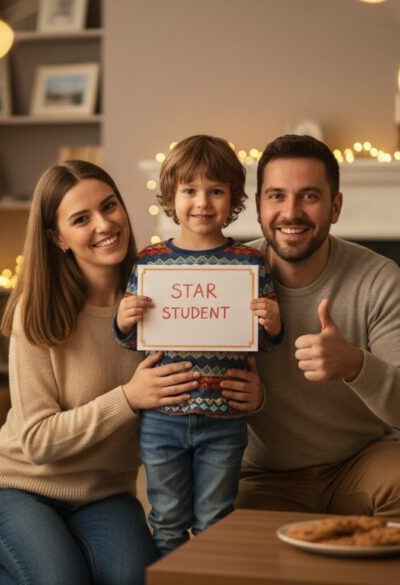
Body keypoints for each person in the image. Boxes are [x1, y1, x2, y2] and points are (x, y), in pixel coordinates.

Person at [0, 160, 264, 585]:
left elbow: (201, 387)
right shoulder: (36, 313)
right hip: (18, 486)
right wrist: (128, 398)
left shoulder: (164, 290)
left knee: (135, 578)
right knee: (62, 579)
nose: (105, 224)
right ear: (57, 237)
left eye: (109, 206)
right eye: (81, 219)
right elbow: (35, 442)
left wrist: (254, 395)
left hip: (105, 495)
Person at [237, 134, 400, 519]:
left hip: (359, 466)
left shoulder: (378, 279)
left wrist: (356, 365)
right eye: (277, 195)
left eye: (309, 196)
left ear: (335, 207)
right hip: (260, 475)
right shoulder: (231, 275)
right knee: (221, 515)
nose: (291, 212)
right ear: (259, 206)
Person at [113, 135, 282, 555]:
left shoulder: (248, 263)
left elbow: (261, 340)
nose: (202, 202)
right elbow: (136, 339)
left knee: (215, 521)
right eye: (190, 190)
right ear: (171, 195)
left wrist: (274, 325)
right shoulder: (149, 262)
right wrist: (123, 320)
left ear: (233, 198)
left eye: (216, 191)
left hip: (224, 420)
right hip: (162, 419)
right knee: (167, 521)